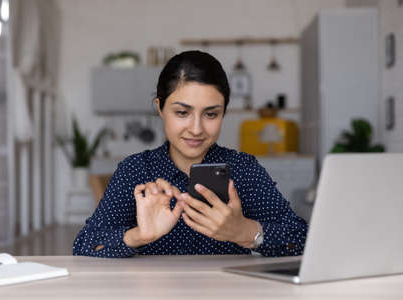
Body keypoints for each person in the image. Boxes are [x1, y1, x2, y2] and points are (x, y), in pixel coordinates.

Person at [73, 50, 308, 258]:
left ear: (224, 113)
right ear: (160, 108)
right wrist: (137, 236)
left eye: (211, 114)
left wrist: (245, 231)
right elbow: (84, 245)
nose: (196, 129)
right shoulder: (136, 171)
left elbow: (302, 239)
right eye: (182, 112)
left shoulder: (243, 169)